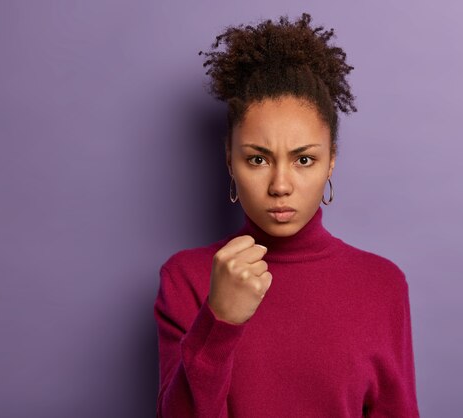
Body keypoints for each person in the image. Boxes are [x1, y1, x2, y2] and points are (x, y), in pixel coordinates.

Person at [153, 12, 420, 417]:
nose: (280, 185)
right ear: (229, 160)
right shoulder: (187, 278)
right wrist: (219, 321)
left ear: (331, 162)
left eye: (304, 160)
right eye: (258, 159)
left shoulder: (383, 286)